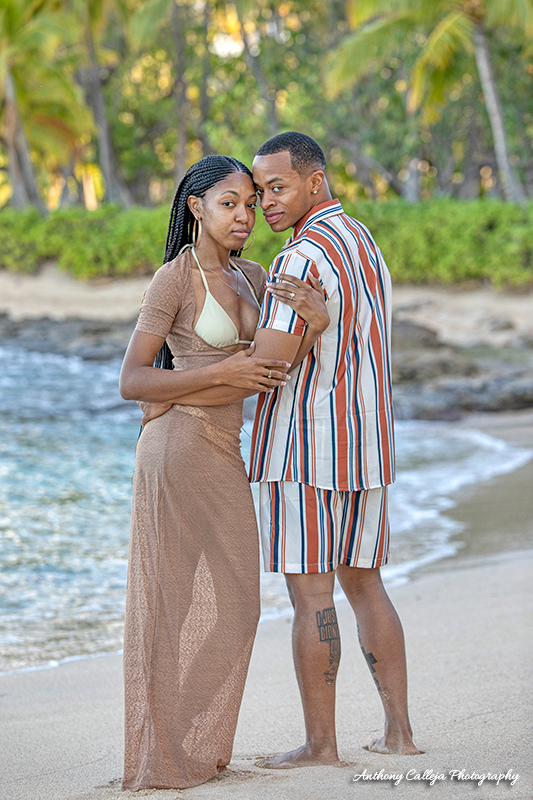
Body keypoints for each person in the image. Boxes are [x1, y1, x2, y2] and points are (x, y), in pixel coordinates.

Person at [151, 133, 422, 765]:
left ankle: (321, 746)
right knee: (368, 586)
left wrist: (171, 391)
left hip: (304, 450)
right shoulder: (364, 242)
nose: (265, 204)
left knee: (313, 599)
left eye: (276, 188)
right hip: (367, 446)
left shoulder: (300, 257)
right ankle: (399, 734)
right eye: (257, 193)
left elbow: (269, 367)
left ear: (314, 183)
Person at [119, 154, 328, 790]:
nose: (244, 216)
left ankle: (174, 736)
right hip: (176, 449)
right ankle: (161, 755)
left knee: (238, 606)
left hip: (225, 449)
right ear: (196, 207)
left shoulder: (256, 276)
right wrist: (220, 373)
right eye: (229, 203)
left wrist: (314, 327)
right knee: (172, 604)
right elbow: (132, 380)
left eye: (250, 204)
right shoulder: (174, 279)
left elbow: (268, 370)